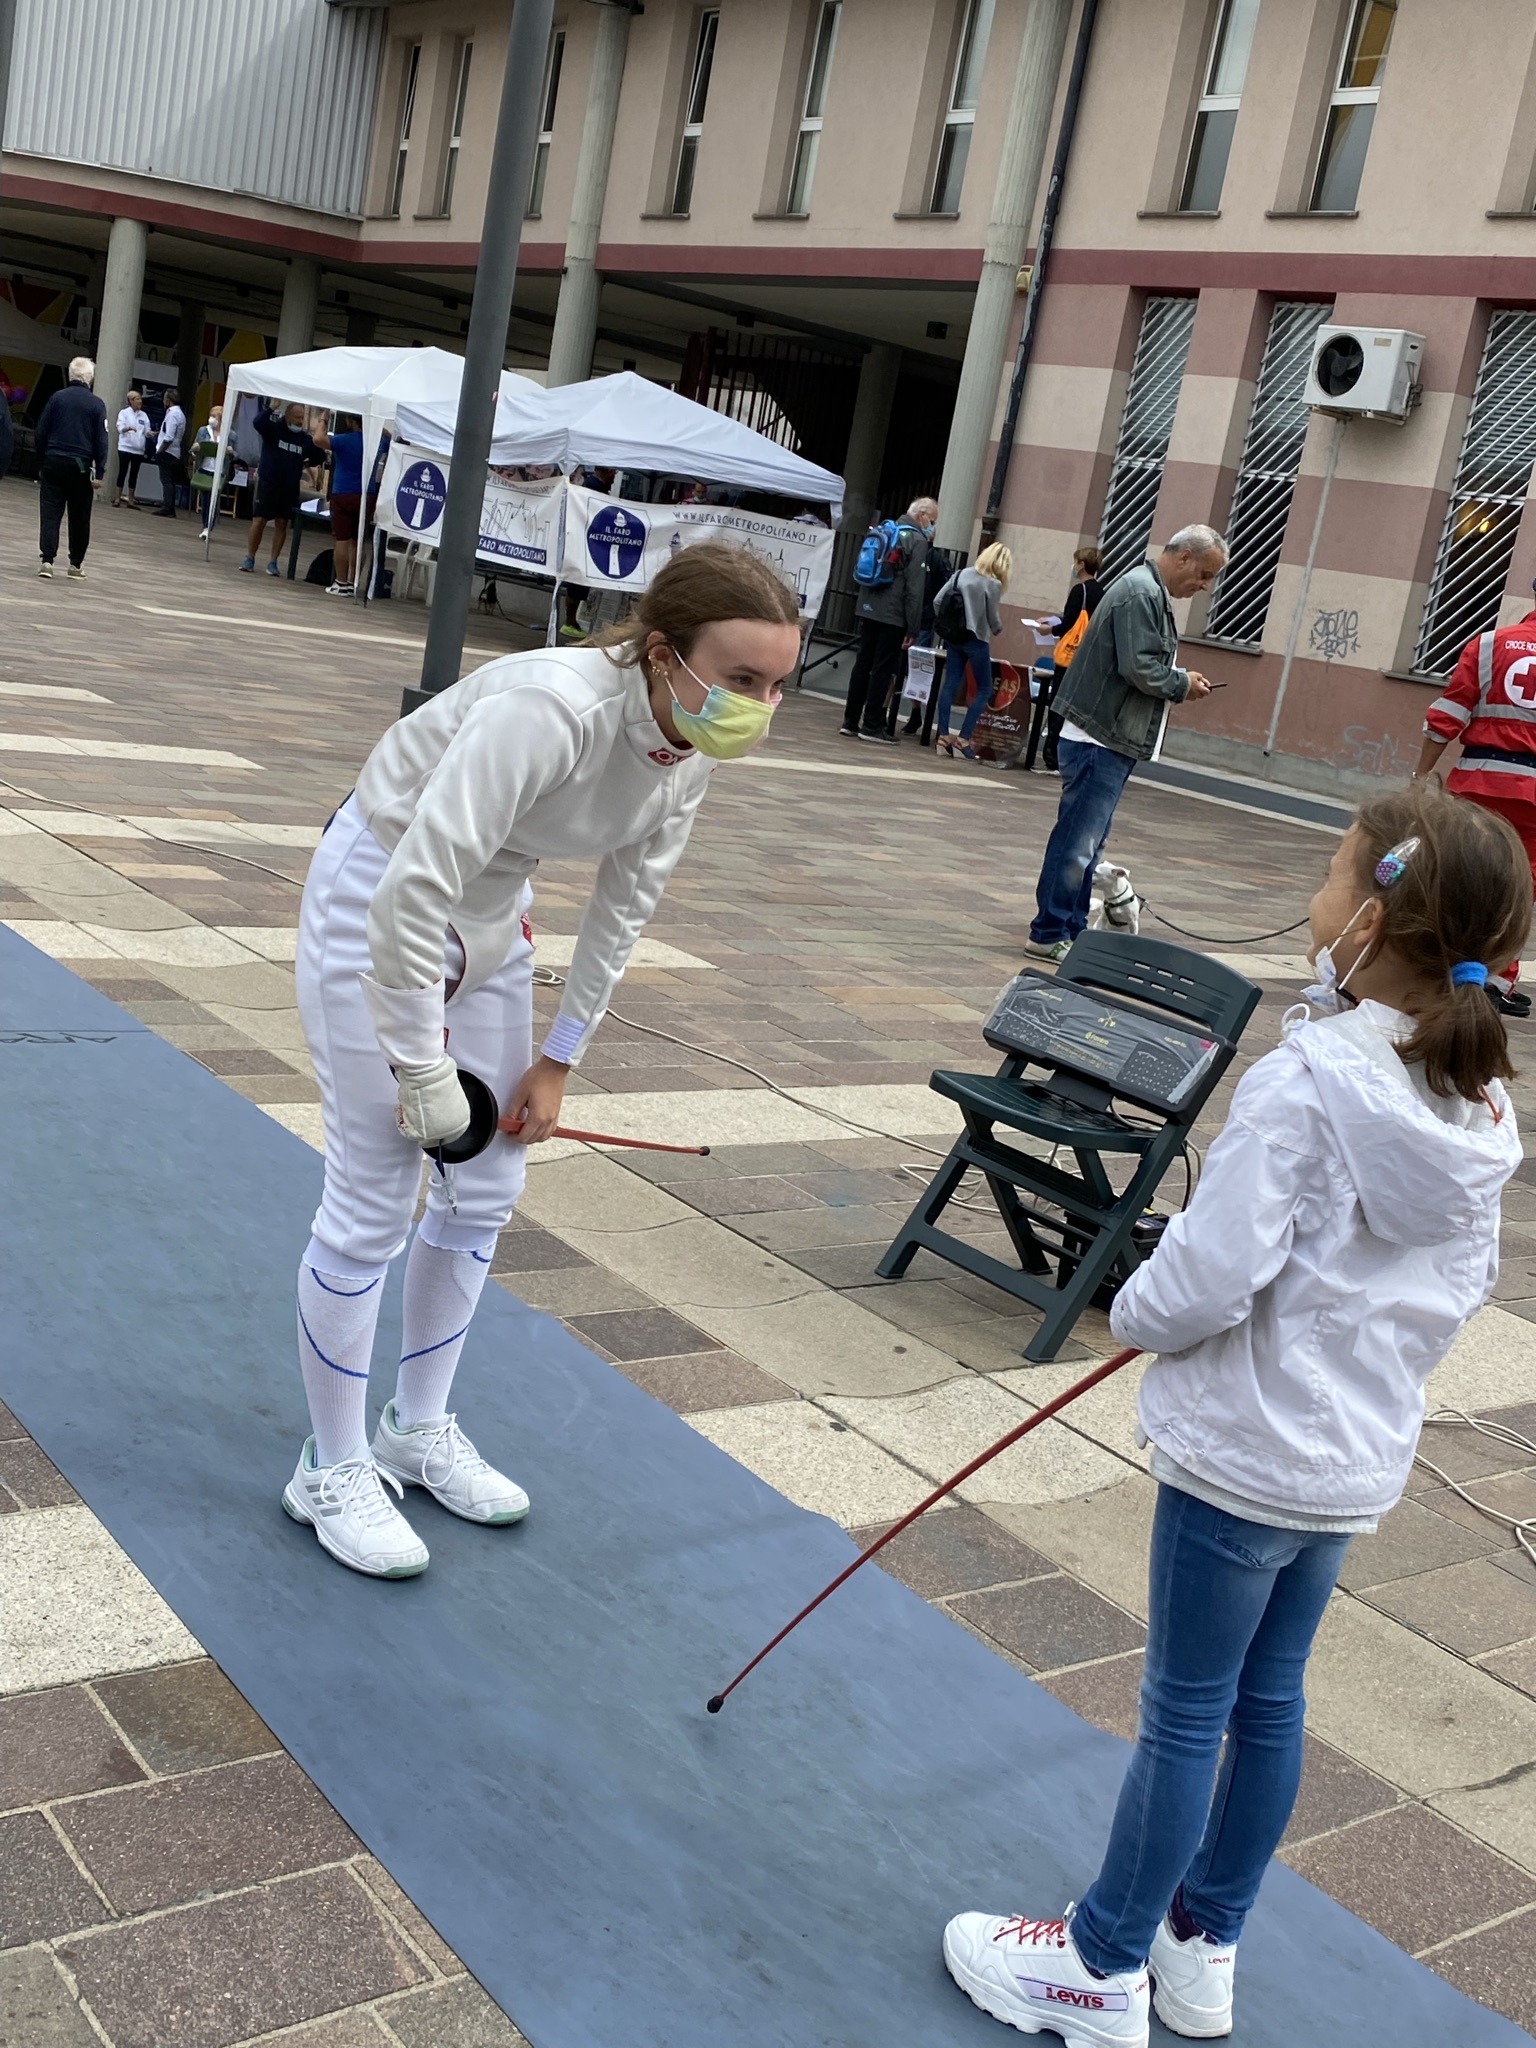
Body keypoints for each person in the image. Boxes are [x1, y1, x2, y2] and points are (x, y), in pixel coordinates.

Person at [943, 784, 1528, 2048]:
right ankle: (1202, 1945)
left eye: (1330, 881)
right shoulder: (1481, 1104)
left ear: (1370, 920)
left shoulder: (1309, 1080)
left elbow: (1209, 1276)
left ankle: (1099, 1961)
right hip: (1348, 1459)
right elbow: (1460, 1283)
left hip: (1246, 1456)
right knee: (1268, 1701)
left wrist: (1136, 1303)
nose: (1315, 903)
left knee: (1188, 1709)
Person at [282, 543, 801, 1579]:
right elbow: (412, 890)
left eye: (778, 683)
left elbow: (626, 904)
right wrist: (419, 1064)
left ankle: (414, 1430)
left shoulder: (688, 747)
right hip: (382, 889)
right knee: (375, 1196)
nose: (760, 704)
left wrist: (560, 1057)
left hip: (494, 904)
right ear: (663, 654)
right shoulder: (551, 709)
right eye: (742, 678)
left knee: (486, 1184)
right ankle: (328, 1466)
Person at [1026, 525, 1225, 961]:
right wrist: (1182, 683)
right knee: (1078, 841)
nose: (1205, 585)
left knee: (1088, 843)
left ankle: (1068, 928)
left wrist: (1178, 679)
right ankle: (1049, 930)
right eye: (1205, 573)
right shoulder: (1141, 593)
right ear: (1184, 557)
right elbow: (1140, 667)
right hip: (1100, 734)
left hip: (1104, 733)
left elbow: (1140, 662)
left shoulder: (1145, 589)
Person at [1414, 588, 1536, 1019]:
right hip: (1534, 801)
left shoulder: (1487, 644)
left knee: (1465, 876)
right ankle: (1495, 981)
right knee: (1520, 889)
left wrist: (1421, 774)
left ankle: (1445, 967)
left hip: (1479, 784)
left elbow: (1446, 715)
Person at [841, 496, 938, 744]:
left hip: (868, 605)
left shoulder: (886, 529)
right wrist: (913, 626)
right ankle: (872, 724)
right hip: (893, 614)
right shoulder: (916, 540)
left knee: (863, 662)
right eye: (933, 520)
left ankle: (850, 721)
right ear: (922, 515)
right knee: (883, 667)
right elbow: (915, 589)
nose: (933, 527)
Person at [934, 543, 1011, 760]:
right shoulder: (993, 583)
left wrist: (948, 624)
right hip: (976, 639)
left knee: (950, 682)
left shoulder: (961, 574)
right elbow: (992, 617)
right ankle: (963, 739)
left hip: (953, 637)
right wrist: (997, 629)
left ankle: (943, 735)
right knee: (985, 688)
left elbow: (937, 601)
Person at [33, 356, 108, 580]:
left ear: (70, 375)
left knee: (50, 512)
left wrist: (41, 461)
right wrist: (100, 470)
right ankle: (76, 564)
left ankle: (47, 560)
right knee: (80, 516)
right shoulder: (97, 404)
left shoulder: (57, 398)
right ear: (90, 379)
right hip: (81, 466)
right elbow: (101, 440)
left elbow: (41, 431)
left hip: (54, 461)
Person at [1039, 544, 1106, 773]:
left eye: (1076, 561)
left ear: (1082, 565)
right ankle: (1069, 758)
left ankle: (1052, 757)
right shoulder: (1102, 592)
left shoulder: (1080, 591)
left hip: (1070, 657)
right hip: (1088, 657)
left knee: (1058, 704)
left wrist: (1050, 629)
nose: (1074, 565)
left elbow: (1069, 622)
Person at [243, 401, 328, 576]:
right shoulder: (273, 430)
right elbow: (257, 422)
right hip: (268, 483)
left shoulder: (304, 439)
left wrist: (307, 463)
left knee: (282, 523)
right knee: (259, 521)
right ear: (287, 416)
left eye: (302, 418)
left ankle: (273, 562)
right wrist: (271, 408)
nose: (299, 421)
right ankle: (250, 557)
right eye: (297, 417)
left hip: (289, 487)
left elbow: (319, 455)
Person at [325, 412, 365, 595]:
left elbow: (318, 439)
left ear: (350, 421)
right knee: (358, 541)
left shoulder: (343, 440)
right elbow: (397, 443)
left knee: (341, 539)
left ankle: (341, 582)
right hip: (366, 494)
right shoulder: (376, 442)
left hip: (342, 491)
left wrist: (323, 419)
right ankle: (354, 581)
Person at [190, 405, 223, 538]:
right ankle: (205, 526)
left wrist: (230, 451)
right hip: (204, 468)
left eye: (215, 417)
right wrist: (196, 448)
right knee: (205, 500)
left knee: (214, 500)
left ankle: (209, 527)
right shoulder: (203, 431)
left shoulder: (229, 433)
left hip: (219, 471)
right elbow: (192, 449)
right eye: (211, 415)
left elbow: (236, 454)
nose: (212, 419)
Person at [113, 389, 150, 507]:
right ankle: (117, 498)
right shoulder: (124, 413)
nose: (140, 401)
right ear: (131, 401)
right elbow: (120, 428)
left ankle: (130, 499)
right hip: (125, 448)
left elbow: (146, 431)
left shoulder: (144, 415)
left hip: (138, 450)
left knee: (134, 474)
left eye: (140, 399)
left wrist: (151, 433)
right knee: (122, 472)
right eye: (138, 399)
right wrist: (128, 428)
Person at [153, 391, 187, 517]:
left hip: (168, 451)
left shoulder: (173, 414)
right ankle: (169, 506)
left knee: (166, 480)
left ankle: (168, 507)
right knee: (170, 480)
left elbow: (169, 436)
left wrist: (160, 450)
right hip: (174, 451)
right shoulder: (180, 414)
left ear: (168, 400)